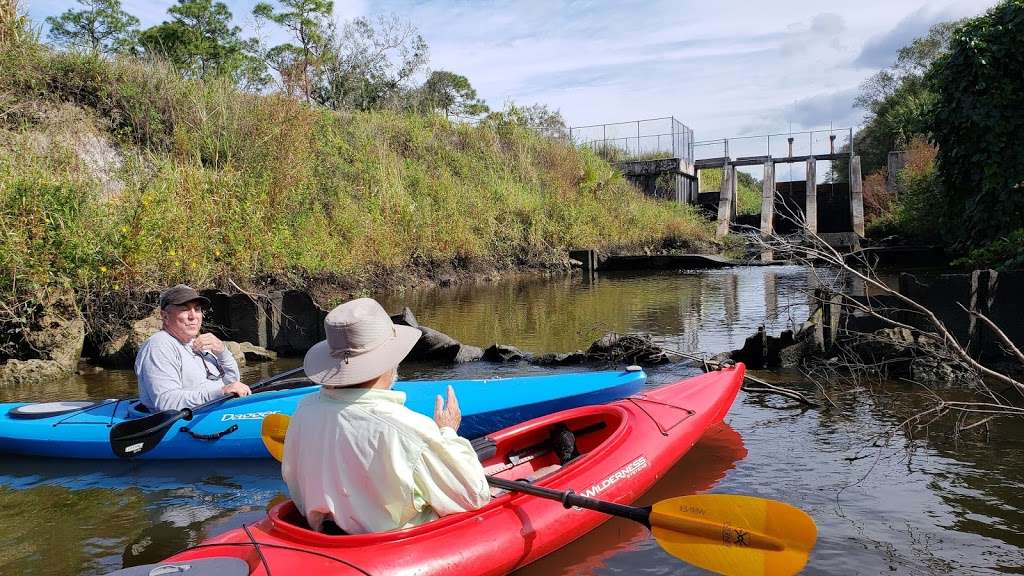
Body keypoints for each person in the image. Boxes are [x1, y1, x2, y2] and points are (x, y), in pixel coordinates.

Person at [283, 297, 491, 534]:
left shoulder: (303, 410)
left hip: (323, 539)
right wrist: (447, 432)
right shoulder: (407, 428)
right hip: (393, 550)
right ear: (390, 361)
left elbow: (296, 488)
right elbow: (475, 495)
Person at [135, 284, 251, 412]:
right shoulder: (159, 346)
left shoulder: (199, 343)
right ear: (165, 316)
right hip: (186, 423)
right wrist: (220, 392)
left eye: (197, 309)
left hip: (219, 412)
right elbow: (166, 401)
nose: (193, 316)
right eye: (184, 309)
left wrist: (223, 352)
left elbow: (232, 383)